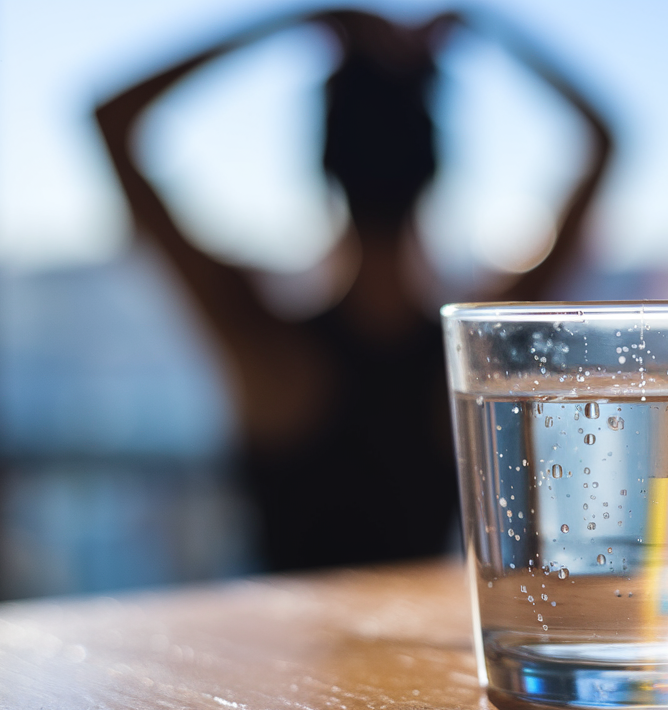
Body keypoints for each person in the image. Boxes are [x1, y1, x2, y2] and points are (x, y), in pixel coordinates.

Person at [95, 8, 613, 571]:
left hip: (280, 658)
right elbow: (605, 140)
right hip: (420, 652)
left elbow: (113, 120)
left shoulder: (264, 345)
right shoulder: (473, 346)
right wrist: (482, 28)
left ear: (325, 164)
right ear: (435, 168)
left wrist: (294, 20)